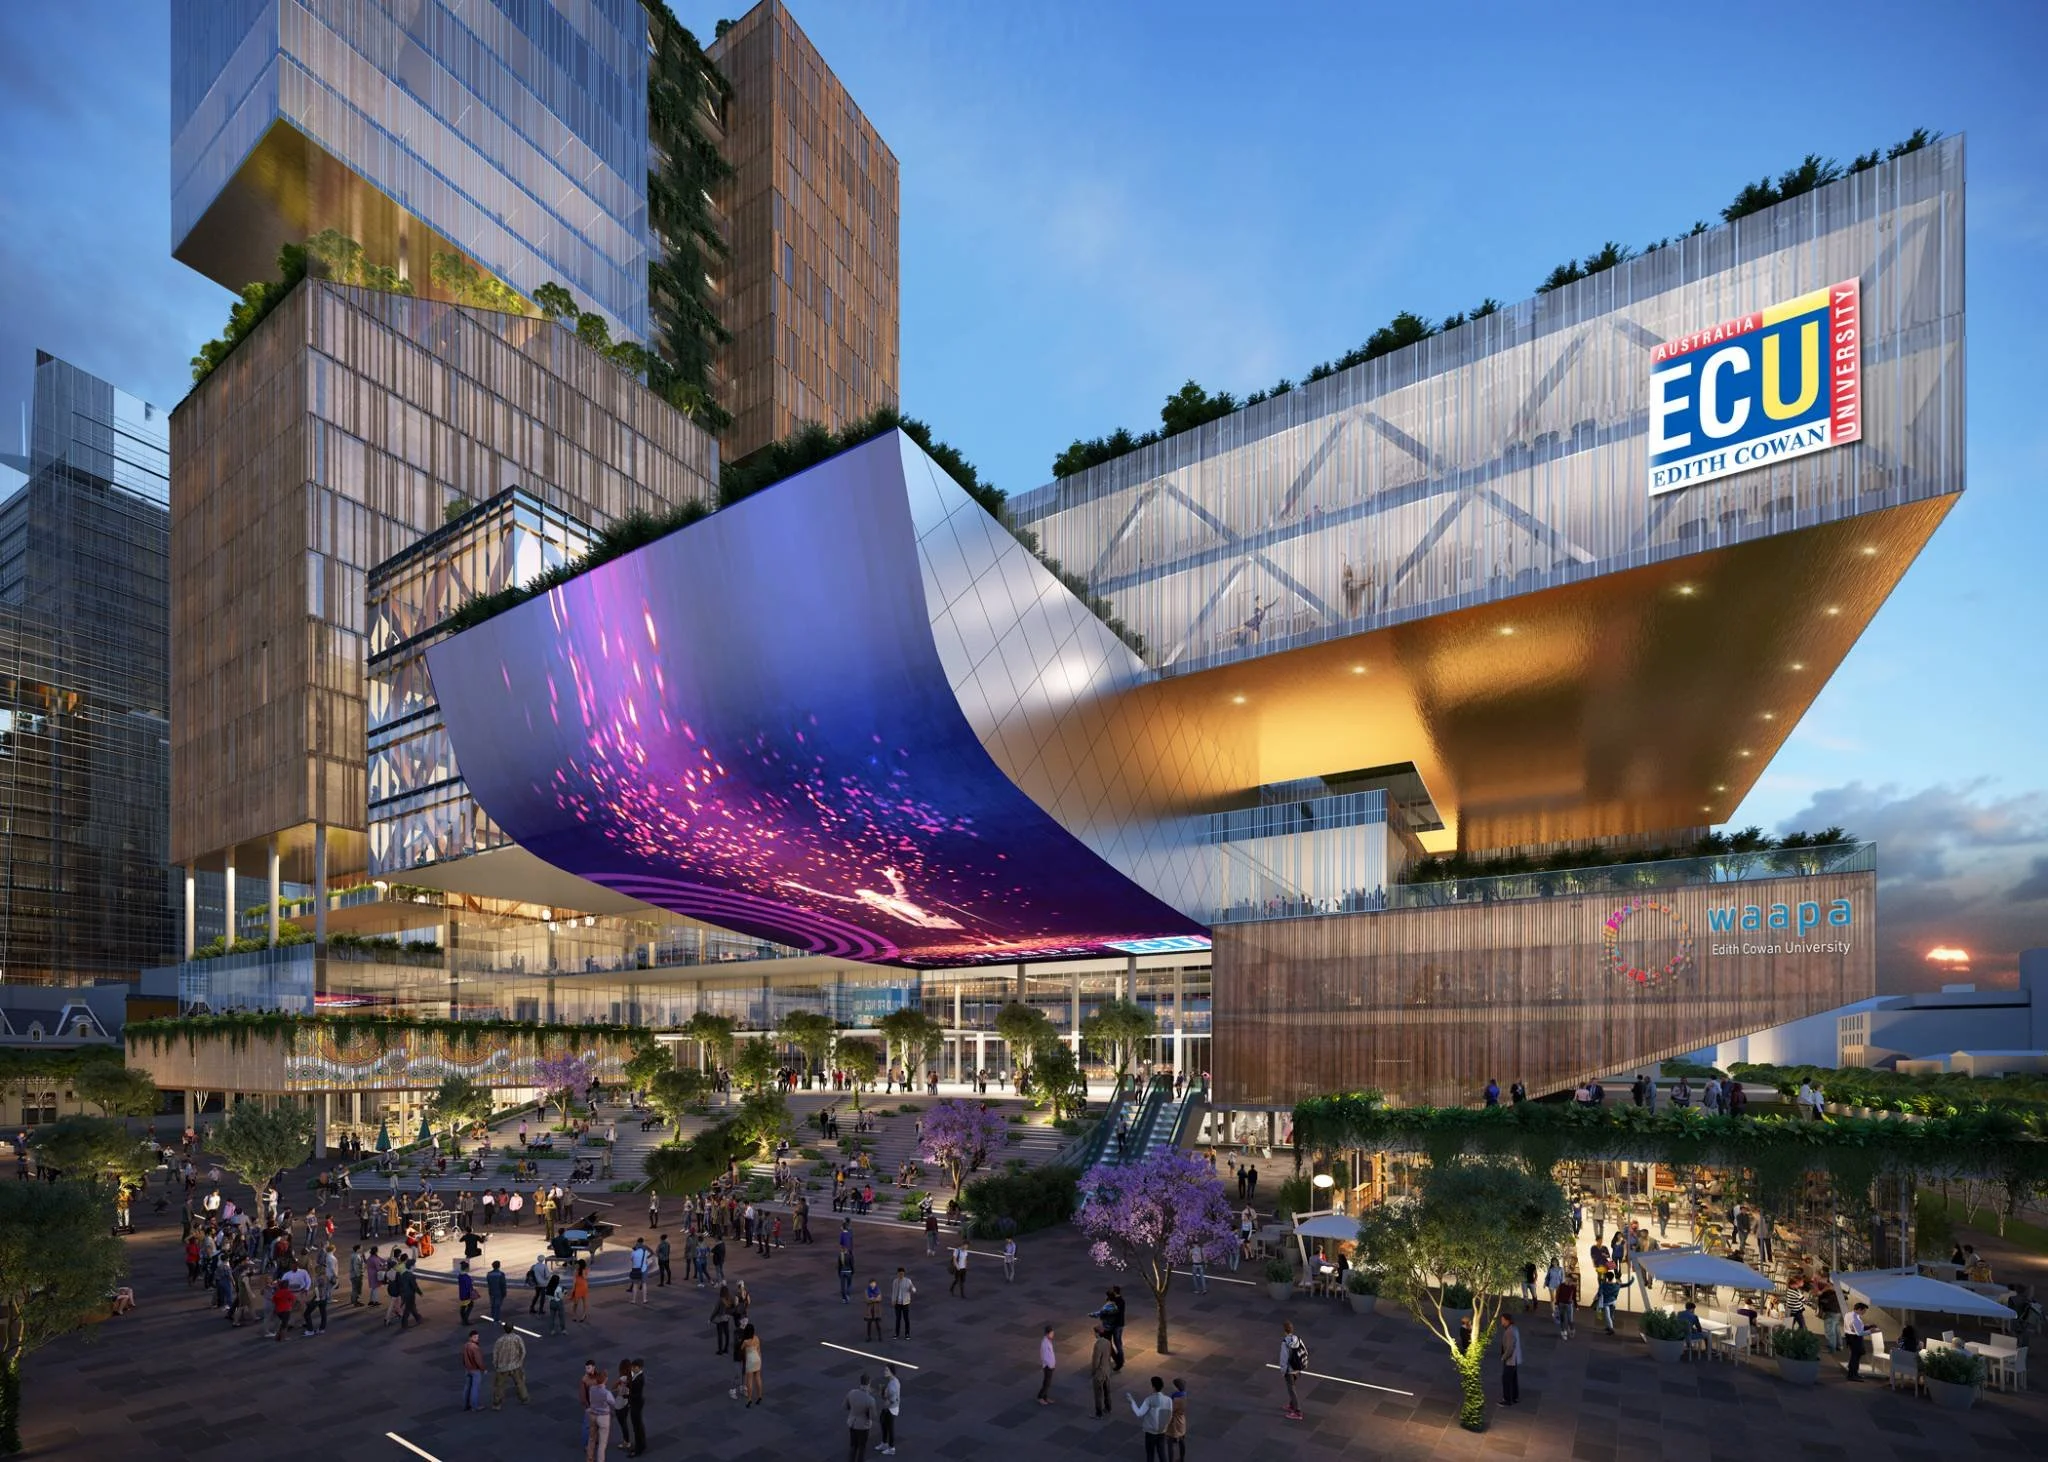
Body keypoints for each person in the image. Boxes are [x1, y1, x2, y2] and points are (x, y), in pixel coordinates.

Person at [1128, 1375, 1172, 1460]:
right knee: (1162, 1453)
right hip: (1162, 1430)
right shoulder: (1168, 1400)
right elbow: (1169, 1414)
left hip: (1151, 1432)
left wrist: (1132, 1401)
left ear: (1153, 1387)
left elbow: (1139, 1413)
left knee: (1150, 1454)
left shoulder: (1149, 1399)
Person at [491, 1322, 529, 1408]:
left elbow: (495, 1354)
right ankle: (524, 1398)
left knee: (499, 1386)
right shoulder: (517, 1338)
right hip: (515, 1365)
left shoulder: (500, 1340)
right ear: (513, 1329)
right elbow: (523, 1351)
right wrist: (520, 1362)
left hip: (502, 1367)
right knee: (520, 1383)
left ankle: (497, 1403)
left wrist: (496, 1365)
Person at [585, 1368, 615, 1462]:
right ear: (606, 1379)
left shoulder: (592, 1389)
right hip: (603, 1417)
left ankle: (589, 1458)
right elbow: (613, 1403)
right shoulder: (606, 1393)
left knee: (591, 1438)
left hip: (593, 1415)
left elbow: (591, 1400)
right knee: (602, 1443)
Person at [1279, 1320, 1308, 1420]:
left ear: (1284, 1331)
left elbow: (1284, 1359)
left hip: (1290, 1370)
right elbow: (1305, 1352)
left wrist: (1283, 1371)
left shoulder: (1285, 1343)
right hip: (1298, 1369)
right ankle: (1292, 1405)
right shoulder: (1298, 1339)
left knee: (1291, 1390)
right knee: (1293, 1387)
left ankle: (1298, 1412)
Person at [845, 1373, 877, 1461]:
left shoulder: (851, 1393)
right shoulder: (870, 1399)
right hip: (863, 1426)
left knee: (853, 1446)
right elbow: (873, 1416)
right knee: (862, 1448)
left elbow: (845, 1407)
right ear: (869, 1383)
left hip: (852, 1423)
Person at [1089, 1324, 1116, 1416]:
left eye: (1095, 1333)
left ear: (1097, 1333)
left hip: (1099, 1372)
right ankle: (1108, 1408)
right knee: (1107, 1391)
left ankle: (1098, 1413)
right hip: (1107, 1370)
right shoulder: (1107, 1342)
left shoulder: (1098, 1345)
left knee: (1098, 1393)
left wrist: (1093, 1371)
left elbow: (1096, 1360)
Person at [1497, 1313, 1521, 1406]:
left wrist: (1504, 1357)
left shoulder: (1510, 1331)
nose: (1501, 1322)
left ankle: (1507, 1400)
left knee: (1506, 1379)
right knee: (1513, 1379)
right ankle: (1514, 1397)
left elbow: (1510, 1348)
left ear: (1507, 1321)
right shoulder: (1513, 1329)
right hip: (1514, 1359)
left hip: (1510, 1360)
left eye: (1502, 1320)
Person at [877, 1363, 901, 1456]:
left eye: (887, 1370)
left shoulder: (892, 1385)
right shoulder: (894, 1381)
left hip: (891, 1409)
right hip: (891, 1408)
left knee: (889, 1428)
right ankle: (884, 1443)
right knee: (884, 1423)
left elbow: (892, 1399)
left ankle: (891, 1448)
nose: (885, 1371)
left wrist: (883, 1394)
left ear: (891, 1372)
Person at [461, 1329, 487, 1411]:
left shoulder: (465, 1346)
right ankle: (475, 1406)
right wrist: (483, 1369)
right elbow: (478, 1360)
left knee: (467, 1387)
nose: (477, 1339)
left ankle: (465, 1405)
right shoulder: (475, 1347)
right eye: (475, 1337)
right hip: (475, 1370)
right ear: (470, 1337)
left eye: (477, 1337)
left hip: (467, 1369)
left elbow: (463, 1358)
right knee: (475, 1388)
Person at [1844, 1301, 1870, 1380]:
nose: (1864, 1313)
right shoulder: (1855, 1318)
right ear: (1859, 1309)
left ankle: (1853, 1373)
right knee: (1856, 1357)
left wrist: (1864, 1326)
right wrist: (1870, 1331)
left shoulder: (1848, 1314)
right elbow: (1859, 1332)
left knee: (1854, 1356)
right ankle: (1853, 1375)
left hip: (1849, 1337)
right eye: (1864, 1311)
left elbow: (1853, 1327)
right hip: (1855, 1338)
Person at [740, 1323, 764, 1407]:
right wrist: (760, 1360)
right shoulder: (756, 1338)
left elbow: (741, 1349)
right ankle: (759, 1396)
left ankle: (749, 1399)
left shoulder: (746, 1341)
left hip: (750, 1360)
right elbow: (759, 1350)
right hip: (757, 1359)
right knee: (758, 1378)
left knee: (749, 1380)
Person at [1165, 1379, 1187, 1462]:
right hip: (1181, 1421)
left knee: (1170, 1444)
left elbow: (1171, 1411)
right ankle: (1182, 1459)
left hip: (1174, 1424)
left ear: (1177, 1387)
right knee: (1181, 1441)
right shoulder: (1184, 1395)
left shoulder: (1176, 1399)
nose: (1172, 1386)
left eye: (1173, 1385)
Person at [892, 1268, 916, 1338]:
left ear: (904, 1274)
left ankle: (907, 1333)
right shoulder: (895, 1281)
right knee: (898, 1319)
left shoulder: (908, 1281)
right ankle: (896, 1333)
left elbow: (914, 1290)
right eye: (900, 1274)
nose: (901, 1275)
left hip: (905, 1303)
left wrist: (912, 1288)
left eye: (902, 1274)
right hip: (897, 1303)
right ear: (898, 1274)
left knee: (906, 1319)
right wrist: (893, 1300)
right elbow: (893, 1291)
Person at [1037, 1324, 1058, 1405]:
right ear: (1047, 1334)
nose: (1053, 1335)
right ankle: (1040, 1397)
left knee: (1048, 1382)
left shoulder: (1048, 1341)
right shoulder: (1045, 1343)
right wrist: (1050, 1365)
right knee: (1047, 1383)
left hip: (1050, 1365)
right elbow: (1045, 1356)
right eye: (1051, 1333)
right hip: (1047, 1366)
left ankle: (1045, 1397)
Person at [486, 1259, 508, 1325]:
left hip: (491, 1291)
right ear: (499, 1266)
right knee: (497, 1305)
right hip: (499, 1292)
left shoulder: (489, 1274)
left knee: (492, 1304)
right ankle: (496, 1319)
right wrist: (504, 1292)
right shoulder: (501, 1274)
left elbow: (489, 1283)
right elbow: (503, 1284)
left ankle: (493, 1316)